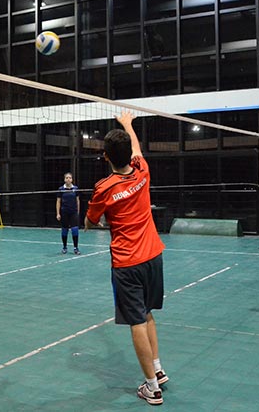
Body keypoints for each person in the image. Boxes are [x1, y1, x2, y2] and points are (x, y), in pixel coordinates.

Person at [85, 111, 167, 405]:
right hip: (153, 257)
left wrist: (102, 220)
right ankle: (157, 369)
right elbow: (137, 149)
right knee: (147, 313)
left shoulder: (103, 189)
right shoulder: (142, 170)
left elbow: (90, 222)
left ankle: (151, 388)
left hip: (127, 263)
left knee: (135, 321)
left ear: (105, 156)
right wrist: (129, 124)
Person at [56, 172, 81, 254]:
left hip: (73, 212)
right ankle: (64, 247)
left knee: (75, 230)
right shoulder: (61, 189)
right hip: (64, 212)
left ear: (72, 179)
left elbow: (77, 201)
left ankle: (76, 248)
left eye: (70, 178)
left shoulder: (76, 189)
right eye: (66, 178)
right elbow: (58, 202)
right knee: (64, 230)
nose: (68, 179)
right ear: (64, 179)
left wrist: (78, 211)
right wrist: (58, 213)